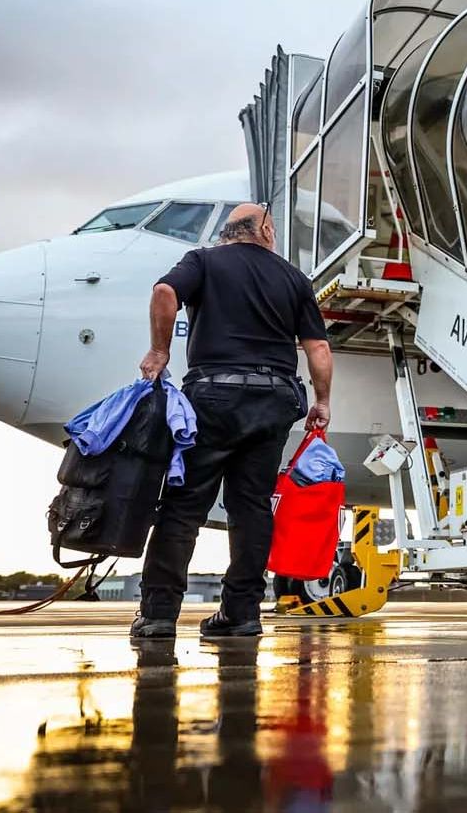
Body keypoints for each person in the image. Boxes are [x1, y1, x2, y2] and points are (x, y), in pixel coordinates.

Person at [132, 204, 333, 639]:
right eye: (273, 229)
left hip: (214, 395)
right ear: (263, 230)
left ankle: (158, 614)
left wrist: (159, 350)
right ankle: (242, 613)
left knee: (185, 506)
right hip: (275, 397)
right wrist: (322, 401)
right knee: (252, 509)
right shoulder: (294, 279)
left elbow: (165, 293)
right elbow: (318, 349)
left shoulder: (202, 261)